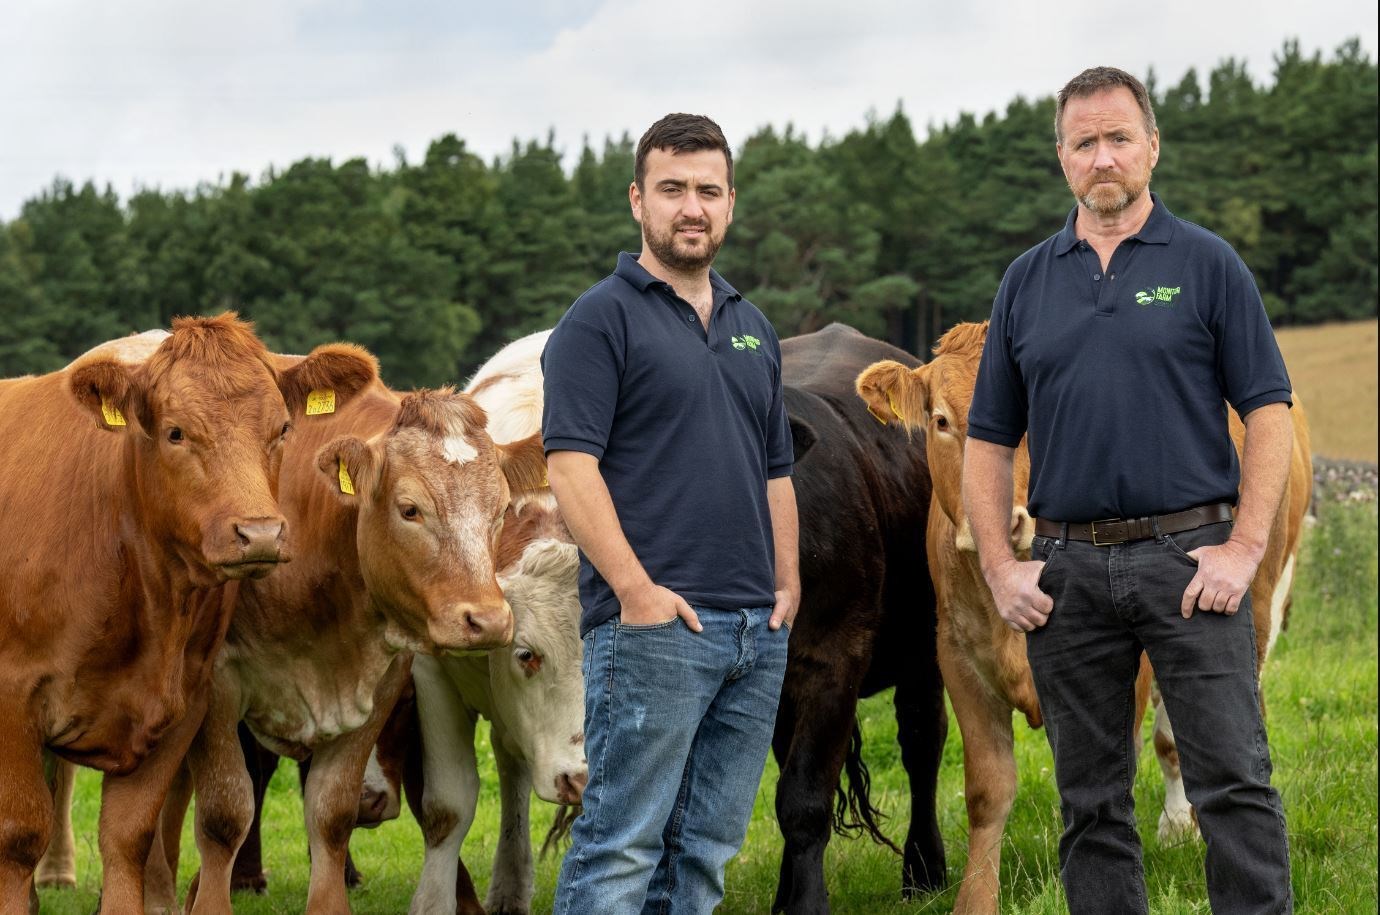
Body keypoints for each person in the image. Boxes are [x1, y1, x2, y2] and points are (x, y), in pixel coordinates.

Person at [963, 67, 1294, 913]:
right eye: (1084, 143)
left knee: (1233, 785)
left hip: (1191, 566)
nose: (1102, 156)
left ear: (1152, 146)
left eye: (1118, 138)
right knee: (1090, 803)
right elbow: (988, 439)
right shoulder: (1026, 283)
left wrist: (1246, 548)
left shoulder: (1209, 265)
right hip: (1069, 572)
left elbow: (1270, 414)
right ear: (1063, 158)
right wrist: (1002, 567)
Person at [541, 112, 799, 914]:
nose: (693, 207)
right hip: (652, 627)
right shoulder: (599, 319)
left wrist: (786, 586)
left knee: (705, 855)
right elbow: (570, 464)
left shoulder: (752, 326)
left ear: (731, 204)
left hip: (755, 632)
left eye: (708, 191)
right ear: (638, 202)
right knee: (621, 846)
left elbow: (775, 469)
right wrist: (635, 591)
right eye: (673, 189)